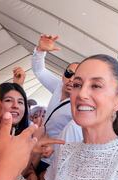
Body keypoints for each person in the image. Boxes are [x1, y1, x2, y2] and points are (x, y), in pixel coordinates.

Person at [32, 34, 79, 169]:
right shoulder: (58, 86)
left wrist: (54, 146)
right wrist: (40, 51)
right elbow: (39, 70)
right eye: (69, 74)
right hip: (38, 149)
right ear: (63, 74)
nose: (71, 80)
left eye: (77, 78)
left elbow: (78, 136)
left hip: (56, 159)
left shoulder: (80, 104)